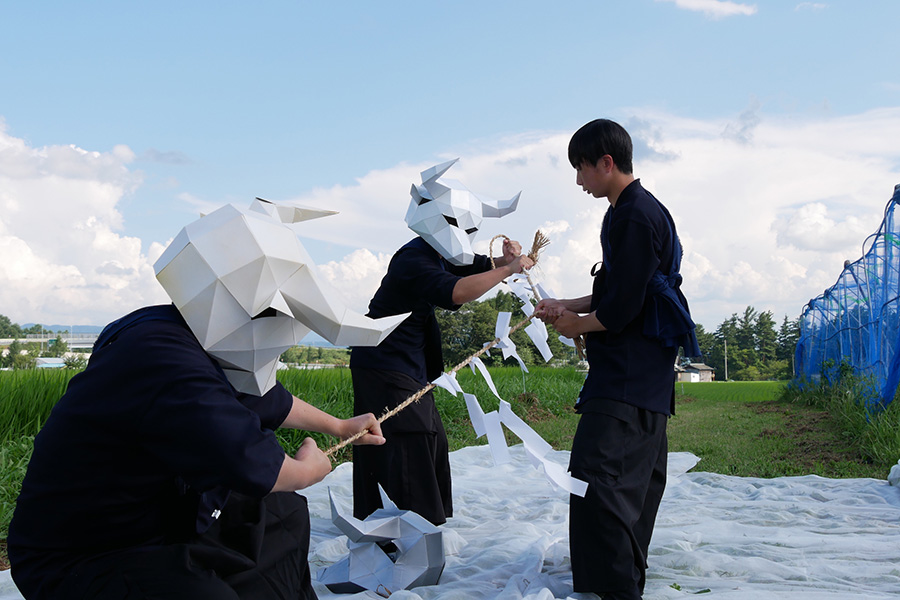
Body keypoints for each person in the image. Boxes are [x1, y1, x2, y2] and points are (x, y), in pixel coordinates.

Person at [8, 198, 404, 600]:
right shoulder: (168, 363)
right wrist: (311, 468)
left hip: (160, 513)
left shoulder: (179, 330)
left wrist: (338, 426)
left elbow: (265, 397)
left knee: (283, 517)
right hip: (87, 551)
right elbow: (264, 469)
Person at [535, 119, 700, 600]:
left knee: (599, 488)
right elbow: (626, 289)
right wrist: (570, 305)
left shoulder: (630, 215)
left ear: (606, 163)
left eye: (581, 168)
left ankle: (613, 590)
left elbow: (625, 306)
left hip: (626, 382)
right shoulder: (642, 210)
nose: (579, 181)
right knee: (631, 489)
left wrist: (577, 326)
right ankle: (619, 584)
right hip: (642, 380)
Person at [350, 160, 534, 526]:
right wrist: (507, 270)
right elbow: (457, 292)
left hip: (411, 369)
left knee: (429, 439)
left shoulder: (437, 254)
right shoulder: (413, 259)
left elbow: (473, 267)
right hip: (386, 368)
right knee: (405, 443)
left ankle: (422, 523)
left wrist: (504, 261)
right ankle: (399, 529)